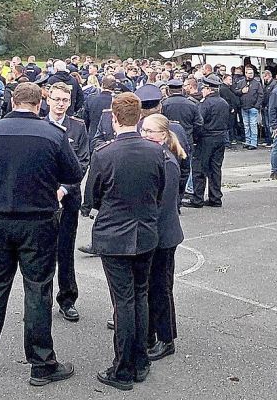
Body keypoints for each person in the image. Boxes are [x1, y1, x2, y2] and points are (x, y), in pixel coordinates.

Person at [0, 82, 83, 386]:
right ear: (40, 102)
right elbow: (74, 174)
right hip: (38, 221)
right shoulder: (53, 134)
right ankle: (41, 363)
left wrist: (1, 171)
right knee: (38, 290)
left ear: (12, 101)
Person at [88, 93, 165, 391]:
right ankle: (140, 360)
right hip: (144, 232)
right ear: (139, 118)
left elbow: (92, 197)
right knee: (139, 296)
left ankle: (123, 369)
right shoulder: (155, 152)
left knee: (124, 301)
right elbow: (159, 189)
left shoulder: (105, 154)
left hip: (115, 235)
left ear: (114, 118)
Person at [140, 114, 186, 364]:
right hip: (155, 233)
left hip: (163, 235)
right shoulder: (156, 157)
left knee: (161, 288)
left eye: (151, 131)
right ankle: (149, 333)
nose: (146, 135)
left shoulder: (166, 161)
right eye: (143, 130)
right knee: (150, 287)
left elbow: (162, 203)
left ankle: (166, 339)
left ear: (164, 135)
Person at [46, 82, 90, 323]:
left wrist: (64, 188)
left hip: (69, 199)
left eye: (65, 100)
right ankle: (40, 300)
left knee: (65, 250)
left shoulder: (77, 127)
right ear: (48, 99)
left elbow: (82, 162)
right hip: (43, 201)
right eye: (56, 99)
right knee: (41, 253)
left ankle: (67, 299)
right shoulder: (40, 125)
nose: (61, 104)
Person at [184, 75, 229, 208]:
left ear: (209, 89)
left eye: (204, 88)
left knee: (199, 169)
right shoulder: (224, 103)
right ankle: (215, 198)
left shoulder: (205, 103)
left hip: (206, 138)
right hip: (220, 137)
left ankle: (197, 198)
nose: (202, 90)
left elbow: (199, 122)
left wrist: (195, 138)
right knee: (215, 168)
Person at [236, 66, 264, 150]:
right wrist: (241, 91)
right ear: (245, 73)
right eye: (249, 73)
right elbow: (236, 92)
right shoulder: (241, 82)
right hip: (244, 107)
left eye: (252, 73)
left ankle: (253, 143)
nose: (251, 75)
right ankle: (247, 141)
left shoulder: (257, 83)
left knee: (253, 125)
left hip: (253, 108)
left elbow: (261, 95)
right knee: (246, 125)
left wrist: (256, 106)